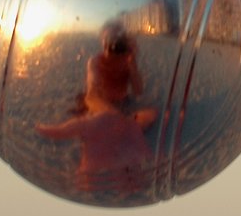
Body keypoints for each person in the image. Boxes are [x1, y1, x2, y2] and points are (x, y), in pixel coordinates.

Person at [37, 22, 156, 194]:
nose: (116, 55)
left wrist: (132, 65)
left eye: (120, 47)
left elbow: (138, 92)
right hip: (101, 105)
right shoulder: (95, 62)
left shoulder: (127, 61)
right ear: (104, 45)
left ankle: (119, 138)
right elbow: (92, 96)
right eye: (112, 47)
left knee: (151, 115)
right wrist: (115, 117)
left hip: (121, 104)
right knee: (99, 124)